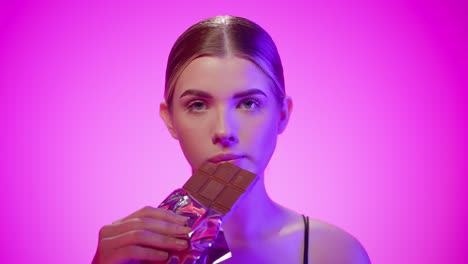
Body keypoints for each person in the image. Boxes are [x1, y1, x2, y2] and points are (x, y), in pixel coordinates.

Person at [92, 15, 371, 264]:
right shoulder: (132, 253)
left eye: (248, 103)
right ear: (169, 119)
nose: (224, 131)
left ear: (282, 114)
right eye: (198, 104)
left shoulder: (335, 254)